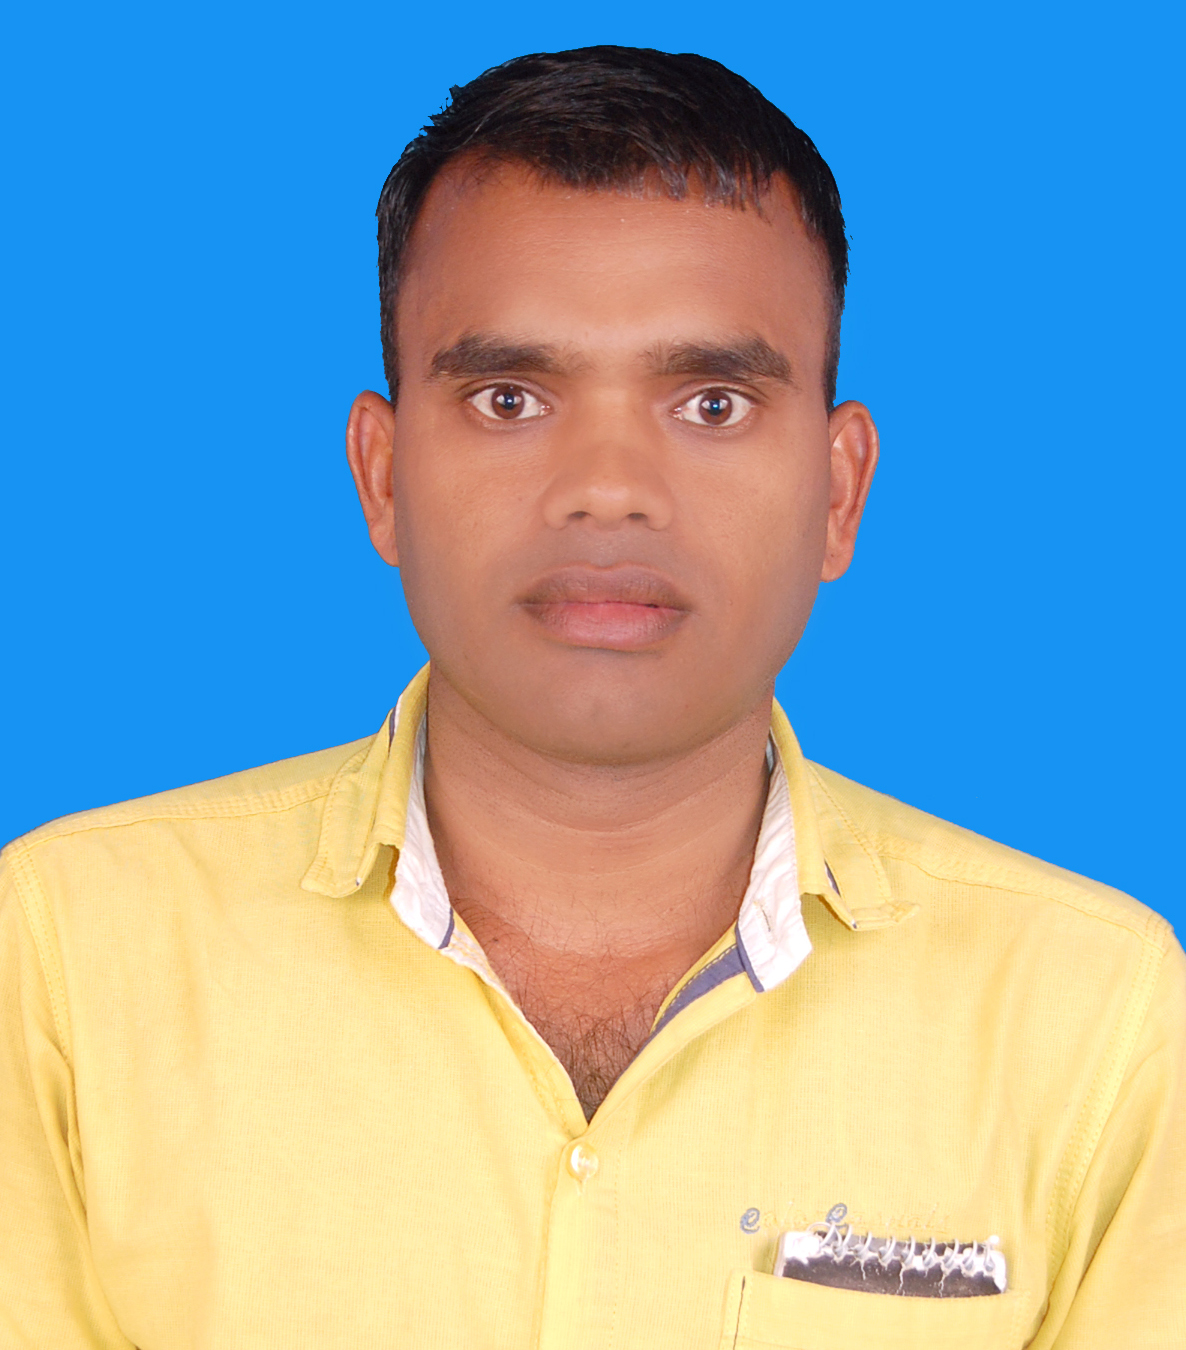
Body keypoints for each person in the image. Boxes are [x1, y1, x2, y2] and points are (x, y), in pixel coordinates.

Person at [1, 45, 1182, 1350]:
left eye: (712, 402)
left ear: (839, 491)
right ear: (382, 476)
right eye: (509, 397)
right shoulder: (62, 957)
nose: (608, 488)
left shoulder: (1097, 1016)